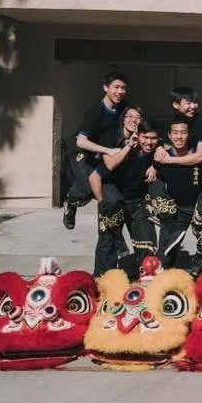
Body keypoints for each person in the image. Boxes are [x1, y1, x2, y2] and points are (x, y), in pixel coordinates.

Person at [88, 119, 160, 279]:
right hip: (115, 202)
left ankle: (147, 279)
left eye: (153, 138)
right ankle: (102, 281)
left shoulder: (157, 152)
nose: (149, 142)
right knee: (108, 243)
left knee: (147, 240)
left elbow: (167, 148)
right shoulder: (123, 151)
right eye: (145, 137)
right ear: (138, 136)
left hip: (138, 203)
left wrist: (155, 165)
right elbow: (95, 176)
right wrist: (102, 202)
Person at [62, 70, 128, 229]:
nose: (119, 92)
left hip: (101, 153)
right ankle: (70, 202)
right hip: (81, 152)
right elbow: (82, 142)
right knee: (86, 187)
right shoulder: (95, 112)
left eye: (123, 88)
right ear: (106, 88)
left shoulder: (123, 109)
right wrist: (107, 150)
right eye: (116, 87)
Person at [154, 116, 202, 268]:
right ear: (169, 136)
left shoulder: (200, 156)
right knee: (166, 248)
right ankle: (164, 275)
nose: (179, 136)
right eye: (175, 133)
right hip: (176, 209)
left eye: (183, 132)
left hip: (200, 209)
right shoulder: (162, 157)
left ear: (189, 134)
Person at [154, 86, 202, 170]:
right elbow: (168, 150)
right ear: (176, 105)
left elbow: (199, 157)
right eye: (188, 103)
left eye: (195, 102)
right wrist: (160, 151)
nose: (193, 106)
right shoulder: (171, 122)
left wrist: (169, 160)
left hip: (201, 170)